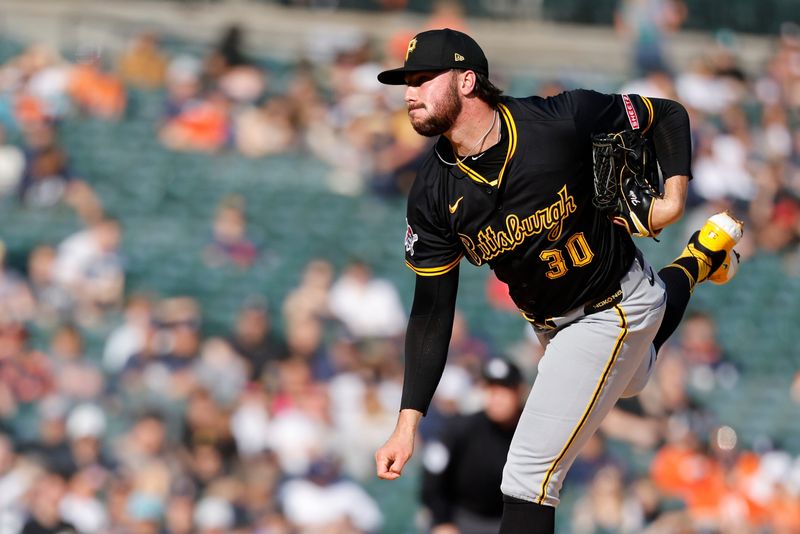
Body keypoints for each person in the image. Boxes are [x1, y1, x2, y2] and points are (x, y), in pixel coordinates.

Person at [372, 28, 743, 533]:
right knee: (635, 378)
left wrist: (673, 201)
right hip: (554, 326)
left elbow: (668, 116)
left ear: (466, 80)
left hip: (611, 305)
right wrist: (406, 423)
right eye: (405, 82)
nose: (409, 93)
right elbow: (433, 309)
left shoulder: (558, 119)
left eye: (421, 79)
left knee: (527, 477)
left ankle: (689, 263)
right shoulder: (432, 192)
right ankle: (699, 259)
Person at [421, 358, 525, 534]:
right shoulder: (461, 429)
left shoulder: (532, 434)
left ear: (519, 392)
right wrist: (442, 521)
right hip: (462, 519)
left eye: (504, 389)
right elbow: (432, 481)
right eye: (491, 389)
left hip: (513, 522)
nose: (496, 396)